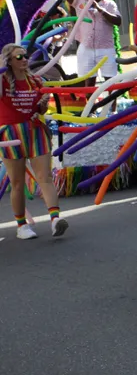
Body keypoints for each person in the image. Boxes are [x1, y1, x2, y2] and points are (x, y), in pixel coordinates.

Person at [0, 44, 69, 239]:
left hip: (35, 130)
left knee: (45, 176)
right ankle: (21, 226)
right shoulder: (3, 81)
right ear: (9, 61)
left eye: (25, 56)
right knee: (17, 182)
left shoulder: (35, 80)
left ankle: (55, 219)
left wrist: (43, 105)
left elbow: (40, 110)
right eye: (19, 57)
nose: (24, 59)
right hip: (11, 134)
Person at [47, 0, 121, 88]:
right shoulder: (80, 0)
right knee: (88, 82)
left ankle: (112, 102)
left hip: (105, 48)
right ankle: (90, 102)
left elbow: (118, 21)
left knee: (110, 82)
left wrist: (100, 9)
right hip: (86, 47)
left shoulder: (109, 4)